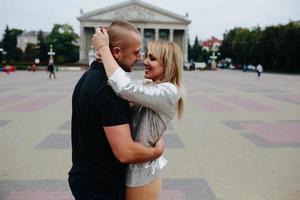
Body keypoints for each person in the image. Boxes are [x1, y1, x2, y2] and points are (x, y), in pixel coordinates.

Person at [68, 21, 164, 200]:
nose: (140, 58)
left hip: (86, 179)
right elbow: (125, 152)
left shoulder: (88, 77)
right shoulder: (108, 89)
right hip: (102, 187)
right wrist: (156, 152)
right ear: (117, 52)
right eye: (136, 52)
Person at [92, 26, 184, 200]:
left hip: (141, 176)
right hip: (134, 168)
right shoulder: (150, 85)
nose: (144, 61)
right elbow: (121, 82)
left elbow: (125, 88)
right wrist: (108, 56)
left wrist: (104, 50)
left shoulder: (169, 91)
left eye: (152, 58)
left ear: (168, 64)